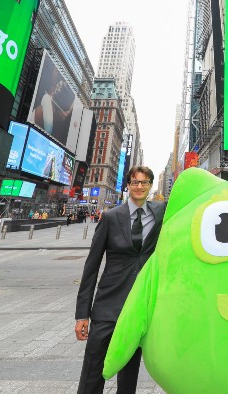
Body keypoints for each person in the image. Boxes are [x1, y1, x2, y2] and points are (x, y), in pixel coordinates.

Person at [74, 166, 166, 394]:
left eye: (144, 183)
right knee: (93, 367)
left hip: (138, 305)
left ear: (150, 186)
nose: (139, 187)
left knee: (129, 369)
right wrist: (82, 314)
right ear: (128, 185)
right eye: (135, 182)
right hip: (108, 304)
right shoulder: (111, 217)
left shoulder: (160, 212)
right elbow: (91, 267)